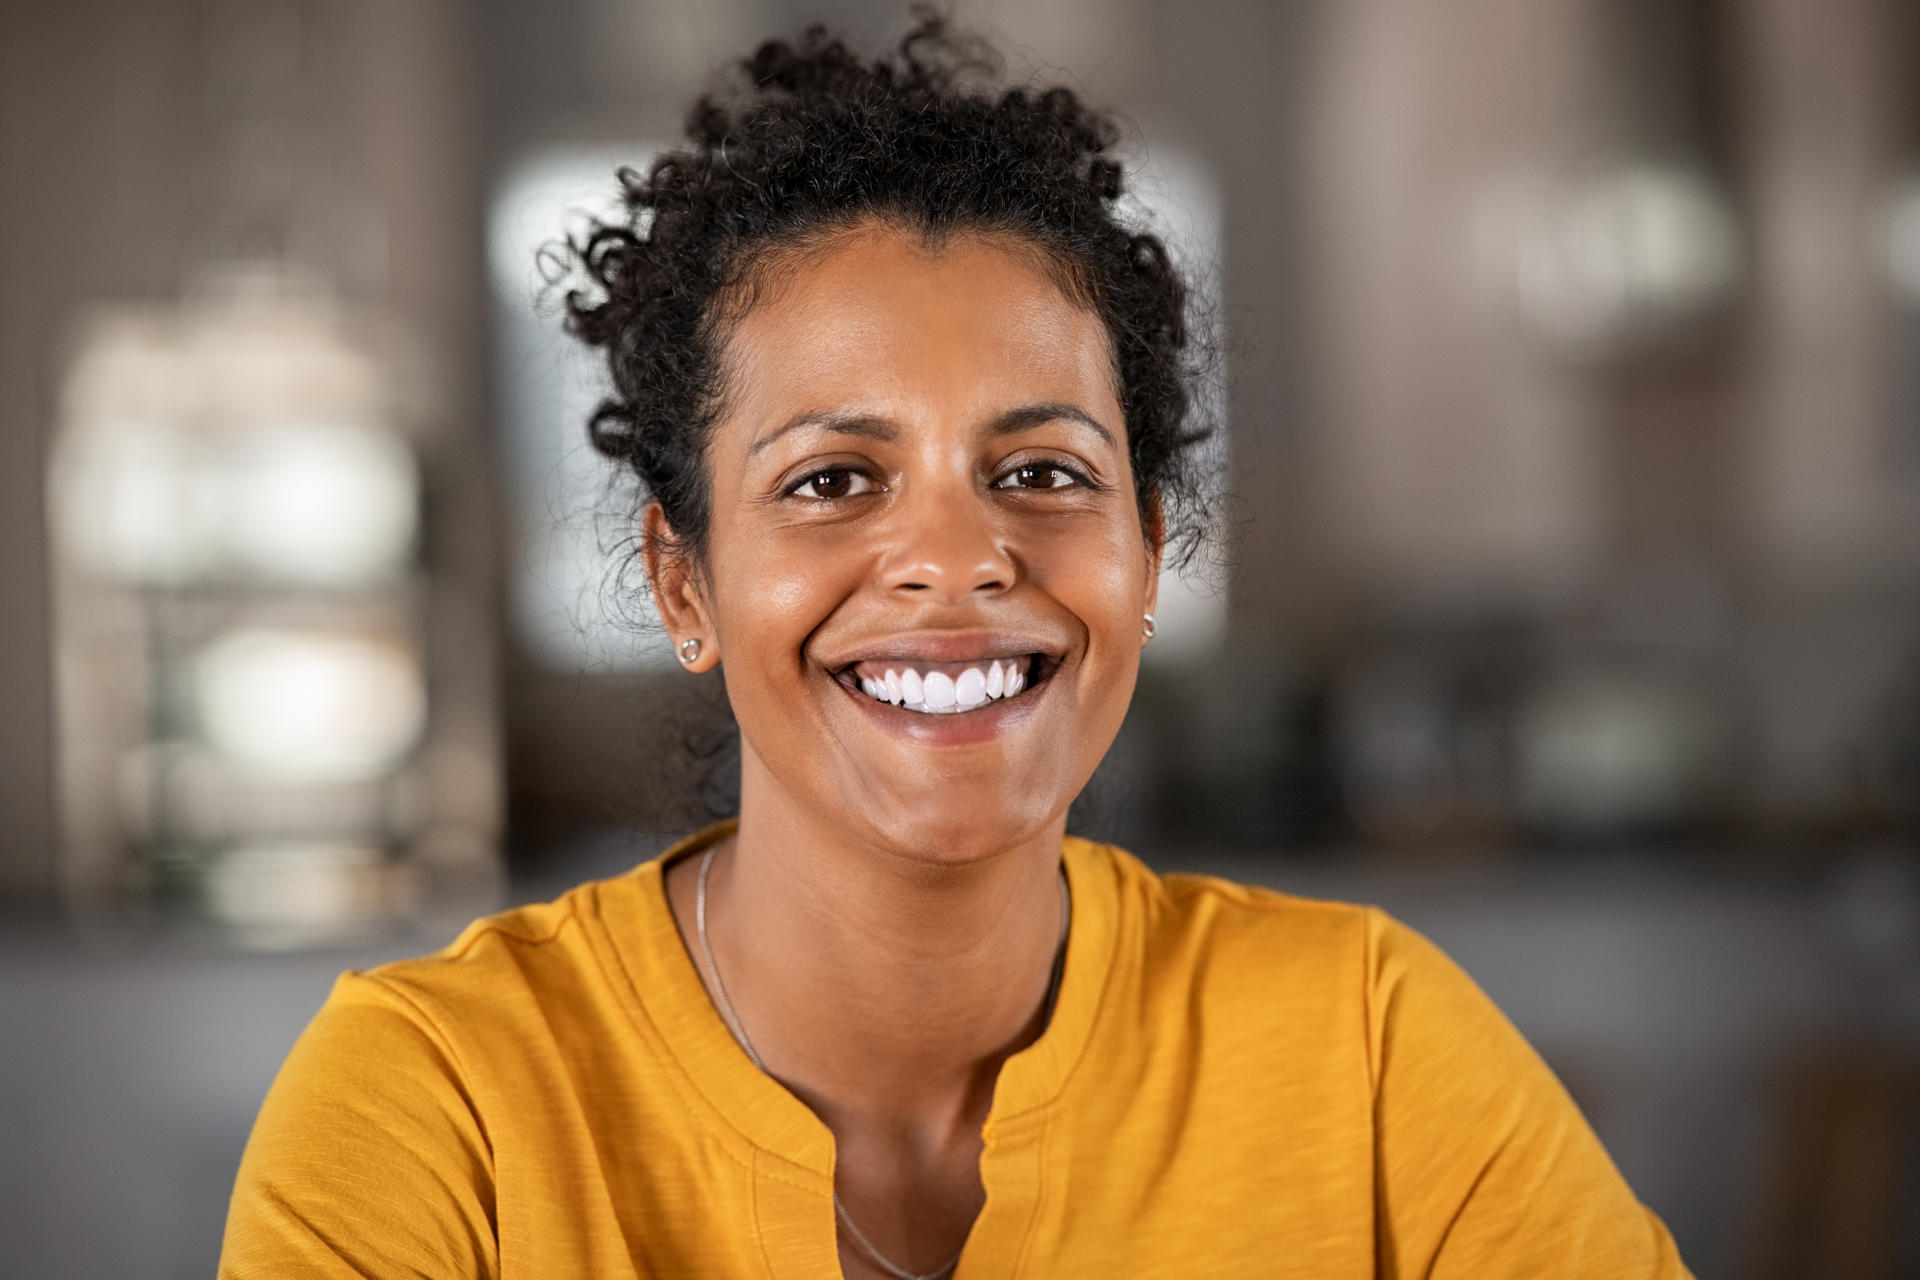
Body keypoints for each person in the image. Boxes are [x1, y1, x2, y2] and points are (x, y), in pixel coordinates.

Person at [220, 17, 1691, 1279]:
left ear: (1148, 545)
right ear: (684, 583)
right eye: (832, 480)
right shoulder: (437, 1106)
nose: (957, 555)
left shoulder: (1369, 1051)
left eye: (1044, 473)